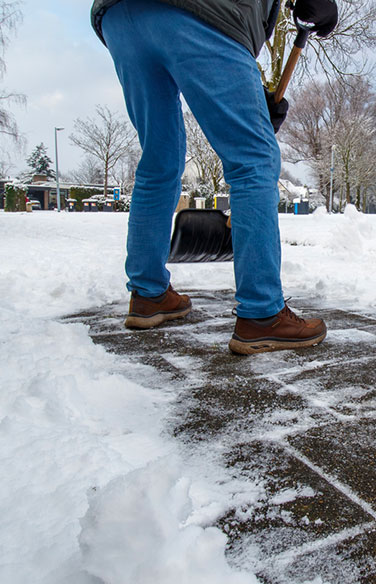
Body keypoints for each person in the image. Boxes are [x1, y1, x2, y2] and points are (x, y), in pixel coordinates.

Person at [89, 0, 336, 354]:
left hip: (120, 17)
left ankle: (148, 294)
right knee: (253, 158)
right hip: (205, 10)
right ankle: (262, 314)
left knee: (159, 159)